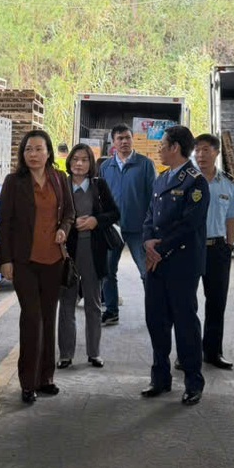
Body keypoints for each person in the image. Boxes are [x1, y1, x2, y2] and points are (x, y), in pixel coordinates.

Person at [0, 130, 75, 404]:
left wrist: (64, 229)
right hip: (24, 262)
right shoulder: (14, 182)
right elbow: (4, 223)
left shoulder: (59, 178)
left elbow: (69, 212)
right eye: (28, 149)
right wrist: (5, 260)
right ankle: (28, 382)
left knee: (48, 317)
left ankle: (46, 378)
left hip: (53, 260)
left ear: (48, 152)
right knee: (32, 319)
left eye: (38, 149)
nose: (33, 154)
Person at [141, 126, 209, 406]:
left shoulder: (195, 182)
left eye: (162, 145)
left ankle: (193, 382)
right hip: (156, 262)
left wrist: (160, 248)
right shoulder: (162, 178)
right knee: (156, 321)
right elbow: (149, 216)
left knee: (184, 324)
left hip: (181, 263)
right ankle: (160, 378)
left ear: (175, 148)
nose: (159, 149)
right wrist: (148, 241)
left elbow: (190, 224)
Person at [57, 143, 120, 370]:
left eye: (84, 160)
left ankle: (94, 353)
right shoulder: (61, 185)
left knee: (93, 303)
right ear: (69, 161)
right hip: (67, 252)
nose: (79, 164)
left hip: (93, 251)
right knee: (67, 302)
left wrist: (95, 221)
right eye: (75, 159)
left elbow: (114, 213)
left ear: (90, 163)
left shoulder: (98, 185)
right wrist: (68, 225)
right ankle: (66, 354)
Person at [191, 134, 234, 369]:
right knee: (187, 304)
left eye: (206, 150)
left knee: (216, 302)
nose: (201, 155)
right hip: (190, 249)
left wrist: (229, 246)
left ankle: (213, 352)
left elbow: (232, 217)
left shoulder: (228, 183)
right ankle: (187, 353)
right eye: (197, 150)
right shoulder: (187, 180)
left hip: (217, 250)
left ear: (216, 153)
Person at [98, 123, 156, 326]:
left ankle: (154, 313)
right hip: (112, 228)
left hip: (139, 229)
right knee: (108, 272)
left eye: (127, 138)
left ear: (132, 140)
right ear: (113, 142)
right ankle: (111, 311)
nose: (124, 142)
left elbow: (153, 197)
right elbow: (100, 198)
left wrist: (151, 226)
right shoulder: (106, 167)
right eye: (120, 138)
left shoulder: (145, 165)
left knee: (147, 272)